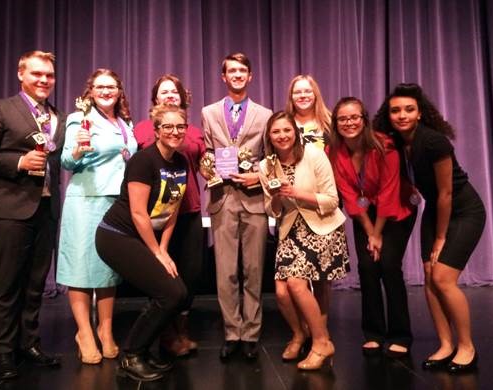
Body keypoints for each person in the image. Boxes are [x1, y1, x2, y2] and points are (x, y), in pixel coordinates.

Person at [373, 83, 486, 373]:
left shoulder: (434, 141)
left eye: (409, 109)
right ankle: (446, 344)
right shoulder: (395, 142)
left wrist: (440, 238)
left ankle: (466, 347)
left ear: (420, 113)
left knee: (444, 278)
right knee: (428, 276)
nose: (402, 115)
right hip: (436, 210)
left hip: (463, 210)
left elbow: (446, 193)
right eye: (395, 110)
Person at [0, 50, 63, 380]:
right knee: (8, 283)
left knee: (35, 282)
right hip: (9, 207)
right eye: (37, 74)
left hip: (47, 208)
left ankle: (28, 343)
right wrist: (18, 163)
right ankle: (2, 351)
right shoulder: (1, 108)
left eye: (49, 75)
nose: (44, 80)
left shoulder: (58, 116)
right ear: (21, 74)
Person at [95, 104, 189, 382]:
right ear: (157, 130)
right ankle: (131, 356)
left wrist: (164, 249)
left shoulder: (181, 162)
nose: (174, 132)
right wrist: (155, 252)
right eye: (168, 127)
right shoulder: (143, 161)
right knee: (170, 292)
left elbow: (172, 210)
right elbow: (137, 212)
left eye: (180, 126)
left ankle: (142, 351)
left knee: (178, 293)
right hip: (116, 236)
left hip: (146, 238)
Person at [57, 69, 137, 364]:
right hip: (86, 201)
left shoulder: (125, 122)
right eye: (100, 87)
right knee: (80, 265)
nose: (106, 91)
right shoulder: (80, 119)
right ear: (90, 90)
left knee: (107, 267)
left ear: (119, 90)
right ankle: (84, 332)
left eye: (112, 86)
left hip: (116, 203)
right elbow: (66, 161)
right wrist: (77, 148)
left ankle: (105, 330)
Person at [258, 111, 350, 370]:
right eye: (276, 132)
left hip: (322, 226)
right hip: (291, 229)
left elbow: (332, 200)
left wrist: (297, 192)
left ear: (295, 132)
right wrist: (277, 196)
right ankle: (300, 334)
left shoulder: (314, 154)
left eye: (286, 130)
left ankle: (321, 342)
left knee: (298, 284)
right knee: (281, 291)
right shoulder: (266, 166)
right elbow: (272, 210)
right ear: (269, 136)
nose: (282, 135)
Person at [328, 97, 416, 358]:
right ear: (336, 123)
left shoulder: (384, 145)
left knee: (388, 266)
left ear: (364, 119)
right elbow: (349, 196)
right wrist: (369, 232)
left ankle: (400, 334)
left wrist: (377, 234)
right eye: (342, 119)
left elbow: (389, 194)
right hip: (365, 213)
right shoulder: (333, 151)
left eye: (354, 117)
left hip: (397, 210)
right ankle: (374, 334)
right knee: (367, 267)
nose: (349, 123)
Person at [201, 52, 272, 361]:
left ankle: (251, 334)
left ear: (250, 76)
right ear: (224, 76)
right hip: (222, 198)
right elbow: (206, 150)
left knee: (253, 270)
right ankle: (232, 333)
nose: (238, 75)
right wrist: (208, 168)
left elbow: (271, 157)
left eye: (243, 70)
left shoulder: (266, 114)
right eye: (232, 70)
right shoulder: (209, 112)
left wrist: (258, 175)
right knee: (226, 272)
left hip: (254, 198)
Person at [134, 74, 205, 356]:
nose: (170, 96)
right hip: (156, 214)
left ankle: (182, 330)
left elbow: (202, 165)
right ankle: (165, 333)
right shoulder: (139, 129)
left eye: (175, 92)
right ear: (155, 99)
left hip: (188, 209)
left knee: (189, 273)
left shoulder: (195, 131)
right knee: (161, 274)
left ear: (182, 98)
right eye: (164, 92)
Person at [285, 75, 333, 149]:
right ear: (291, 97)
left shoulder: (331, 123)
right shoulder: (283, 123)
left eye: (308, 91)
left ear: (315, 94)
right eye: (297, 92)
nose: (303, 95)